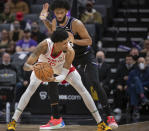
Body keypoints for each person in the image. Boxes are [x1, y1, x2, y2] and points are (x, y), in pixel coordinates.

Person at [7, 28, 112, 131]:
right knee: (30, 89)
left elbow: (62, 75)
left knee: (82, 89)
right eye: (65, 43)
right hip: (43, 67)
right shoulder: (44, 45)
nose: (68, 45)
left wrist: (53, 79)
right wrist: (34, 68)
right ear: (56, 43)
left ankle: (100, 123)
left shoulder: (70, 51)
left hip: (62, 69)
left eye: (68, 42)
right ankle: (13, 122)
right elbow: (25, 66)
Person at [39, 0, 118, 129]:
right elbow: (54, 32)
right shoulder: (54, 21)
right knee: (51, 79)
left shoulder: (76, 23)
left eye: (61, 12)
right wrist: (44, 20)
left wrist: (73, 39)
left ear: (66, 12)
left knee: (94, 82)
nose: (59, 15)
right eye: (56, 12)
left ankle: (109, 116)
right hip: (69, 56)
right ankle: (56, 118)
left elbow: (89, 41)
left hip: (85, 56)